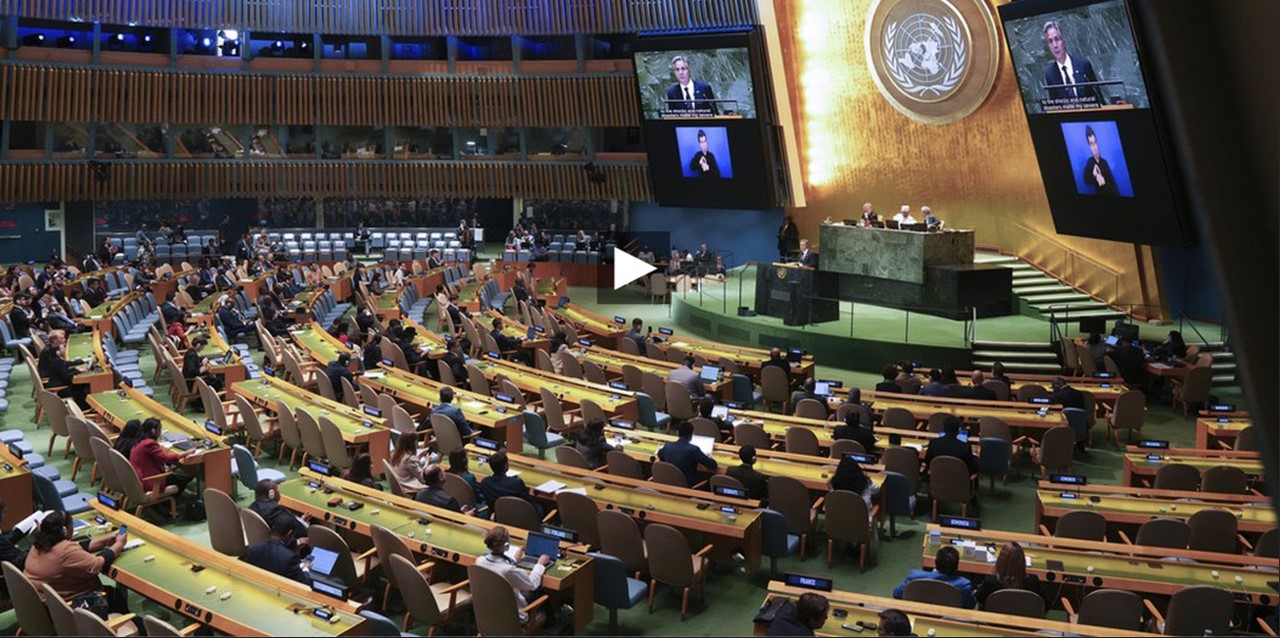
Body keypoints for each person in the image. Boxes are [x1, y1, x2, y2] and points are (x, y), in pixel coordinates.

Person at [24, 510, 130, 618]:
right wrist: (119, 544)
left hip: (46, 607)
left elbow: (77, 546)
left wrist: (105, 541)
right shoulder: (65, 551)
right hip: (70, 610)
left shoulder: (39, 544)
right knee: (116, 596)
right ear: (65, 530)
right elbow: (97, 564)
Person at [475, 525, 551, 631]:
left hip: (488, 612)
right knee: (542, 593)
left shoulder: (479, 561)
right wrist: (540, 564)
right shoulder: (508, 570)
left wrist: (514, 560)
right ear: (506, 546)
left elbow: (498, 565)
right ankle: (548, 628)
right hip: (514, 618)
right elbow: (532, 584)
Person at [129, 418, 197, 500]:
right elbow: (166, 458)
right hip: (152, 482)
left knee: (175, 469)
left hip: (141, 478)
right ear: (153, 431)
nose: (160, 432)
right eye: (159, 429)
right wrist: (186, 453)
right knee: (188, 472)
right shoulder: (149, 443)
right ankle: (169, 502)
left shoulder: (139, 441)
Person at [892, 545, 976, 608]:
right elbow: (970, 605)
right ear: (957, 565)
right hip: (947, 618)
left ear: (935, 562)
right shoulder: (963, 584)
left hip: (918, 614)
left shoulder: (915, 576)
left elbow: (897, 594)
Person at [1042, 20, 1101, 104]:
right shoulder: (1050, 73)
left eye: (1057, 39)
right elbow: (1055, 106)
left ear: (1064, 41)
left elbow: (1098, 98)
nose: (1055, 45)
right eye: (1050, 41)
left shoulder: (1083, 64)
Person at [240, 515, 311, 585]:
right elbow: (305, 583)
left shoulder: (253, 549)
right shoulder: (290, 558)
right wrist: (306, 569)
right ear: (290, 533)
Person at [975, 542, 1041, 608]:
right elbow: (1043, 603)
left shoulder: (991, 581)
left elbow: (979, 599)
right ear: (1023, 561)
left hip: (994, 617)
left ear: (1000, 560)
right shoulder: (1032, 581)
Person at [249, 479, 309, 546]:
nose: (279, 492)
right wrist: (297, 542)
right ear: (272, 494)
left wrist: (301, 520)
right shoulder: (274, 510)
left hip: (260, 544)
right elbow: (281, 534)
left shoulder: (252, 506)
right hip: (292, 546)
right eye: (277, 490)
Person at [656, 421, 717, 485]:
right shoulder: (693, 449)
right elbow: (712, 465)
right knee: (709, 475)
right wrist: (706, 456)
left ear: (677, 433)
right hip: (686, 481)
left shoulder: (668, 445)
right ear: (692, 434)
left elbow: (660, 454)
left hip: (669, 479)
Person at [38, 329, 87, 408]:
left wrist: (78, 363)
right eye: (62, 338)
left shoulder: (54, 352)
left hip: (56, 378)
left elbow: (63, 365)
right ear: (54, 340)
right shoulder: (51, 354)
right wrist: (77, 370)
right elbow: (63, 373)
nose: (64, 340)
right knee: (79, 387)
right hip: (55, 383)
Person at [1081, 125, 1119, 196]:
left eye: (1095, 142)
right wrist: (1095, 175)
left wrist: (1104, 182)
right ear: (1089, 147)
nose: (1095, 147)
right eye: (1092, 144)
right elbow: (1086, 180)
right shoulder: (1090, 162)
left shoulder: (1104, 162)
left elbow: (1114, 188)